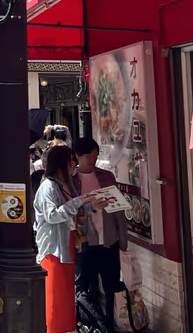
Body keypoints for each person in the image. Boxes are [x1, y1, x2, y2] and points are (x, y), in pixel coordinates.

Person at [34, 144, 101, 333]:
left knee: (65, 297)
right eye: (71, 160)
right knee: (55, 299)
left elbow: (72, 213)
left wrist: (93, 207)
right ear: (61, 163)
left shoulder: (62, 185)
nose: (74, 164)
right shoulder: (48, 186)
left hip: (67, 245)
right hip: (53, 249)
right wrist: (81, 200)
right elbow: (53, 215)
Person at [72, 137, 127, 329]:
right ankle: (90, 325)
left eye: (96, 156)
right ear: (78, 156)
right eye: (89, 157)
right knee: (84, 288)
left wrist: (123, 239)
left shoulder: (106, 177)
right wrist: (90, 207)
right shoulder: (72, 182)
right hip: (85, 243)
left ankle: (111, 325)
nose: (93, 161)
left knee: (112, 285)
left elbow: (118, 209)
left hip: (108, 240)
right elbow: (70, 212)